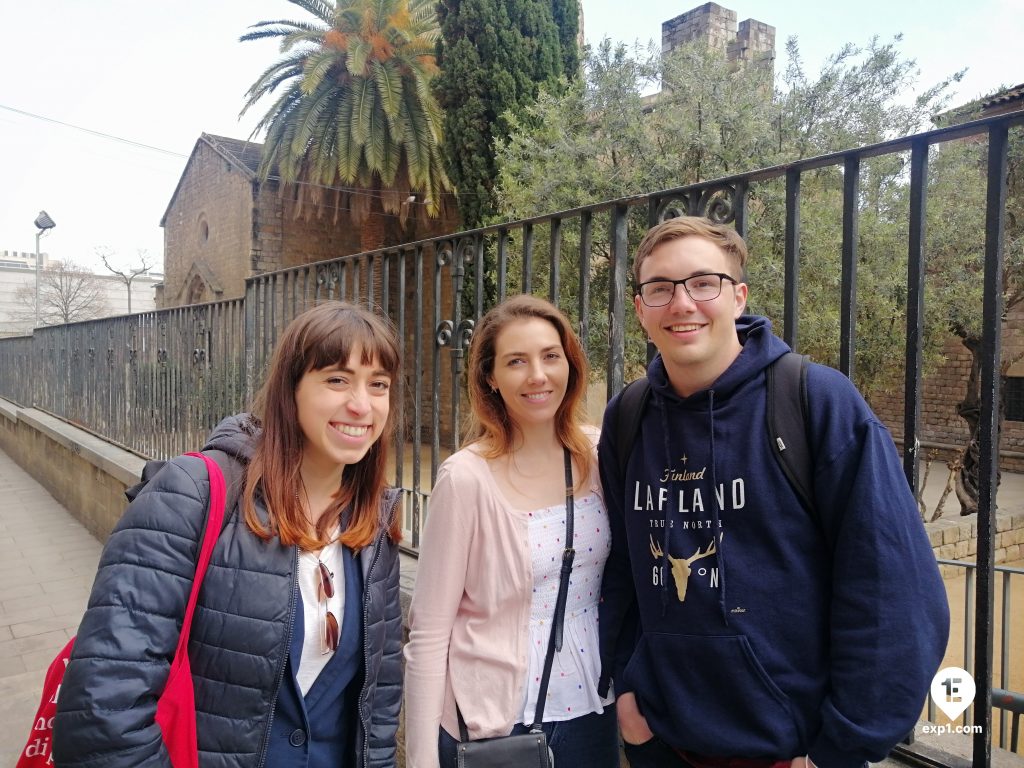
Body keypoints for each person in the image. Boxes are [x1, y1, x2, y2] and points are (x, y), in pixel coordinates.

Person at [597, 217, 950, 768]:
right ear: (641, 309)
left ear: (738, 297)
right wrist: (628, 703)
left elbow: (892, 592)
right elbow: (620, 571)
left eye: (703, 283)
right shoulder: (628, 416)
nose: (682, 303)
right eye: (660, 288)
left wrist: (838, 749)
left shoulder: (815, 402)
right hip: (659, 744)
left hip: (792, 753)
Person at [53, 301, 404, 768]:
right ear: (291, 390)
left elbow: (380, 697)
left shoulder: (374, 524)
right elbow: (103, 708)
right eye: (337, 379)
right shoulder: (191, 494)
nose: (362, 404)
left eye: (378, 385)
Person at [404, 295, 620, 768]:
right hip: (494, 723)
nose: (538, 376)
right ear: (490, 378)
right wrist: (420, 760)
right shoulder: (465, 478)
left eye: (550, 356)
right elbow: (429, 632)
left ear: (570, 363)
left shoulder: (601, 453)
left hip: (592, 709)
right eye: (516, 362)